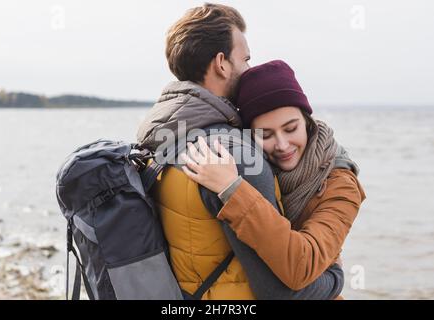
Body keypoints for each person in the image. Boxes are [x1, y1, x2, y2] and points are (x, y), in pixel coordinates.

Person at [137, 3, 344, 299]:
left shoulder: (162, 136)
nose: (248, 69)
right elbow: (280, 294)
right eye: (245, 59)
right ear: (222, 63)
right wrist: (334, 274)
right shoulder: (232, 156)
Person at [180, 60, 366, 292]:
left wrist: (232, 189)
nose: (282, 145)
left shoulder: (341, 185)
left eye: (291, 129)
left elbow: (302, 265)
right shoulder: (255, 165)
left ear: (307, 122)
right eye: (265, 134)